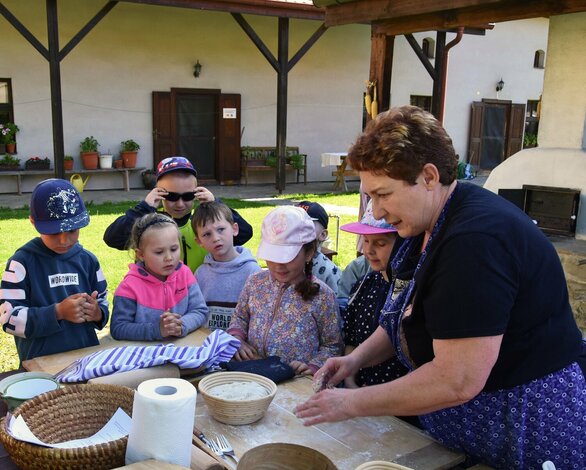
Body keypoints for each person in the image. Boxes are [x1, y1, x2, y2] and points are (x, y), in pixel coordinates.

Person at [295, 106, 586, 469]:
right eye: (370, 197)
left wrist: (352, 403)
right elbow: (405, 317)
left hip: (522, 425)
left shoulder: (474, 243)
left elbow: (457, 379)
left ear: (429, 176)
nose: (378, 212)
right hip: (477, 427)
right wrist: (355, 359)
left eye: (383, 194)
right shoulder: (423, 223)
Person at [0, 179, 109, 362]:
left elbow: (103, 299)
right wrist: (57, 312)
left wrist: (98, 312)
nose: (63, 240)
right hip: (41, 364)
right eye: (53, 232)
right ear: (33, 222)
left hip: (85, 360)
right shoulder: (21, 263)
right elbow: (9, 319)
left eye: (72, 230)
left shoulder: (88, 260)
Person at [228, 206, 344, 376]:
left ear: (309, 253)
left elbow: (333, 346)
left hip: (295, 381)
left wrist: (313, 366)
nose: (278, 265)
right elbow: (240, 317)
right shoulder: (255, 282)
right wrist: (236, 339)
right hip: (252, 372)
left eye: (287, 257)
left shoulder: (322, 296)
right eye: (272, 257)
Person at [103, 156, 253, 272]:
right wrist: (143, 209)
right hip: (160, 300)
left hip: (200, 296)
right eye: (172, 197)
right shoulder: (149, 225)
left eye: (187, 196)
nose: (180, 204)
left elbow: (244, 233)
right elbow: (112, 238)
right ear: (158, 193)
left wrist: (217, 205)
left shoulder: (204, 225)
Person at [339, 200, 409, 389]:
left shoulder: (410, 290)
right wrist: (350, 379)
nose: (368, 250)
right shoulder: (363, 285)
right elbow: (352, 339)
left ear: (404, 243)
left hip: (400, 398)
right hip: (359, 389)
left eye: (380, 243)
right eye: (366, 241)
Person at [111, 213, 208, 341]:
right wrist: (157, 330)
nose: (169, 257)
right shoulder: (129, 286)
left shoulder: (184, 273)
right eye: (159, 252)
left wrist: (181, 325)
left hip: (182, 352)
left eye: (174, 249)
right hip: (143, 356)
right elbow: (118, 328)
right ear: (140, 254)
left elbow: (200, 310)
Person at [192, 201, 261, 330]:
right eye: (207, 234)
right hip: (208, 344)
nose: (216, 238)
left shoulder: (252, 271)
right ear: (199, 241)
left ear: (234, 229)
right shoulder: (200, 273)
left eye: (221, 230)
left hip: (242, 346)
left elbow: (259, 316)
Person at [295, 201, 341, 294]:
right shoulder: (282, 262)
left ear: (323, 234)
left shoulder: (329, 271)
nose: (297, 229)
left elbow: (337, 303)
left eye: (307, 225)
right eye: (293, 223)